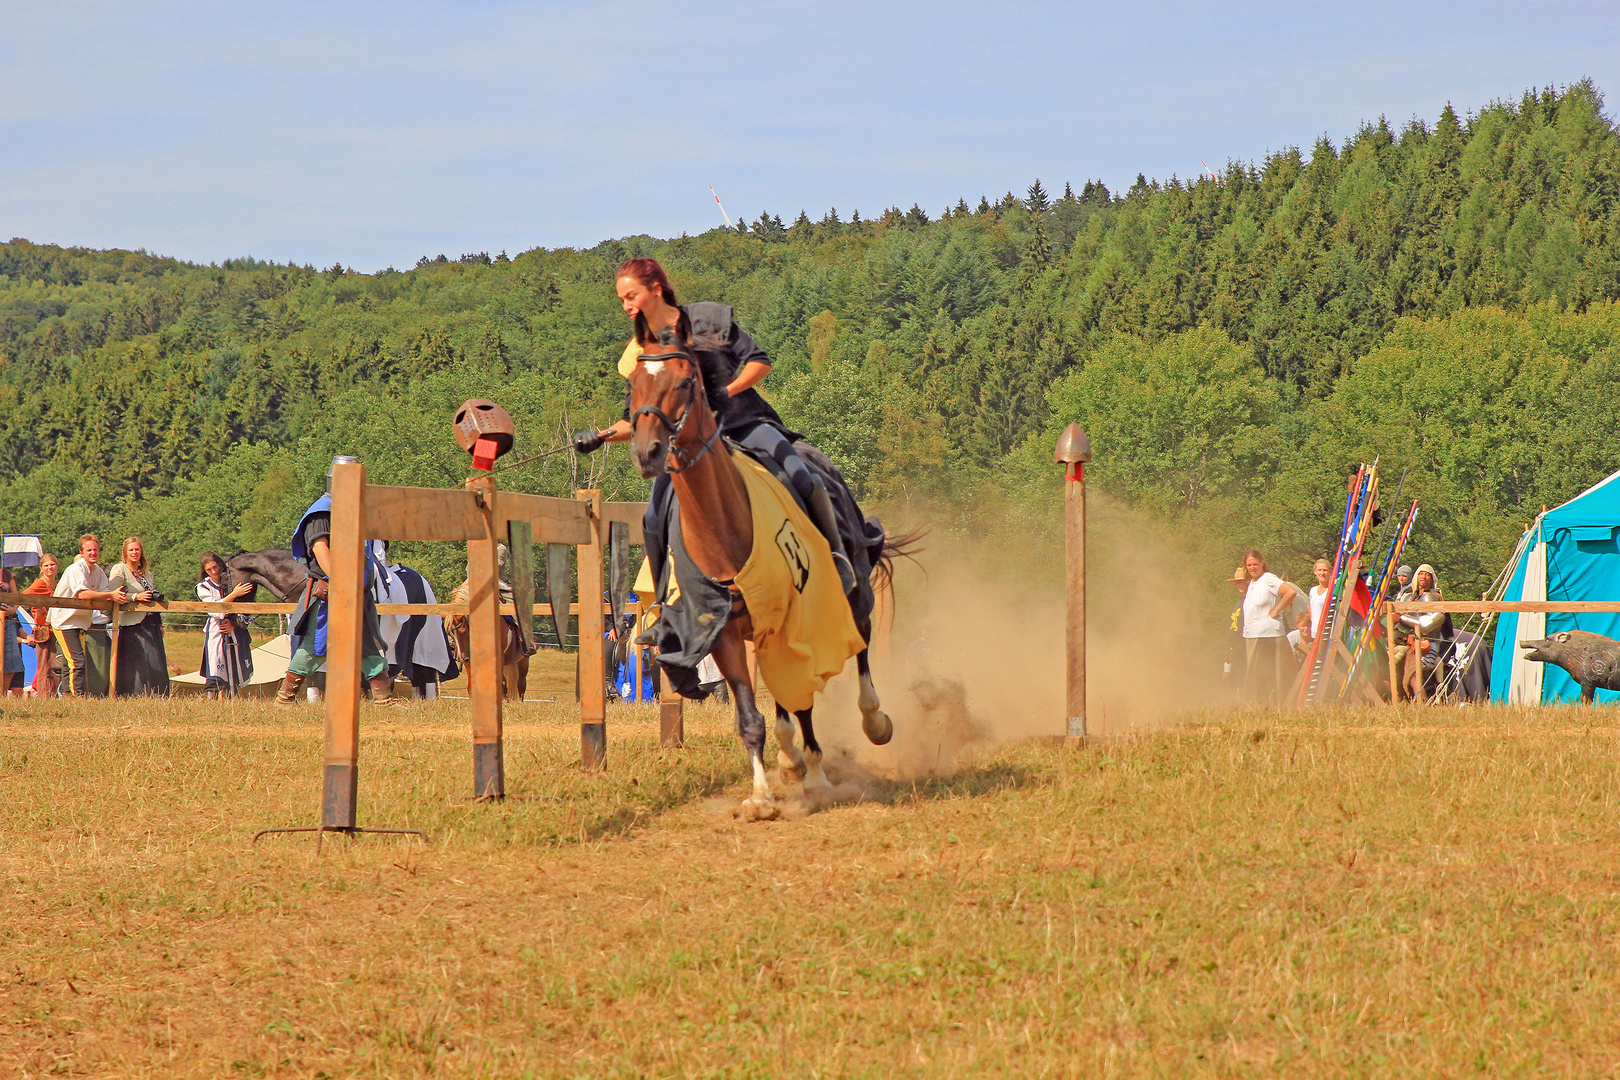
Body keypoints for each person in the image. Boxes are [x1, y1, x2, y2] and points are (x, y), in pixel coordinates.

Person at [573, 257, 859, 594]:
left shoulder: (706, 320)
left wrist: (722, 392)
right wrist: (602, 436)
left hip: (744, 426)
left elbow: (759, 362)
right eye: (621, 299)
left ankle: (837, 561)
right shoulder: (640, 350)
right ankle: (662, 601)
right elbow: (635, 420)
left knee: (803, 476)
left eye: (631, 296)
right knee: (652, 517)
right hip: (690, 446)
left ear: (655, 289)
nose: (625, 306)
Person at [279, 459, 397, 705]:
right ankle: (285, 698)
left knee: (368, 643)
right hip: (331, 594)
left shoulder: (353, 511)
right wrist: (341, 584)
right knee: (314, 647)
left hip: (357, 593)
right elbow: (321, 550)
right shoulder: (321, 512)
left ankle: (384, 699)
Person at [50, 534, 124, 697]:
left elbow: (105, 592)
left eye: (95, 550)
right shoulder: (76, 569)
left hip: (81, 622)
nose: (93, 553)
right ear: (81, 553)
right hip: (64, 620)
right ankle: (79, 696)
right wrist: (111, 595)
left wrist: (113, 596)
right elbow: (82, 594)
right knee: (77, 660)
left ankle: (68, 694)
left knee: (71, 661)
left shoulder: (97, 571)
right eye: (89, 550)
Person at [108, 536, 171, 697]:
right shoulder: (120, 569)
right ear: (125, 553)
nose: (134, 552)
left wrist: (160, 622)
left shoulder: (147, 574)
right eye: (131, 550)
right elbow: (114, 594)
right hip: (133, 624)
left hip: (151, 622)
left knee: (155, 661)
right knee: (138, 662)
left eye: (137, 549)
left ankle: (157, 696)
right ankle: (134, 695)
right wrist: (136, 597)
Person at [1239, 549, 1298, 703]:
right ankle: (1259, 704)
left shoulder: (1268, 579)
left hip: (1268, 634)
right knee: (1256, 674)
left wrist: (1277, 609)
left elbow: (1290, 592)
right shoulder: (1252, 583)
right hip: (1252, 634)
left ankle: (1280, 703)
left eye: (1255, 564)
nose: (1252, 568)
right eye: (1249, 565)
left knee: (1272, 673)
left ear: (1262, 563)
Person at [197, 550, 254, 698]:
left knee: (235, 668)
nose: (214, 571)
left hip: (235, 630)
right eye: (209, 569)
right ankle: (212, 700)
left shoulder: (231, 580)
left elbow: (246, 605)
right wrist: (234, 594)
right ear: (205, 570)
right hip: (217, 629)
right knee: (216, 667)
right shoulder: (203, 587)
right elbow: (215, 610)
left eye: (215, 567)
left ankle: (232, 700)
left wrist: (234, 624)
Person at [22, 553, 60, 697]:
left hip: (56, 627)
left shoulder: (57, 584)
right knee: (44, 664)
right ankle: (44, 696)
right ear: (41, 568)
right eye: (46, 565)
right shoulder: (40, 583)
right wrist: (40, 607)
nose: (50, 567)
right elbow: (24, 596)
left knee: (55, 664)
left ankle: (53, 694)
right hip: (43, 629)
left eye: (52, 564)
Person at [1, 568, 23, 696]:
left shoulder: (6, 574)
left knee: (11, 664)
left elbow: (16, 595)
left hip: (8, 621)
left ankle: (2, 696)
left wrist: (13, 609)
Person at [1307, 558, 1332, 639]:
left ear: (1330, 572)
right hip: (1314, 633)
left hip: (1328, 634)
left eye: (1325, 570)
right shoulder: (1312, 590)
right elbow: (1310, 606)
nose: (1322, 573)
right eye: (1319, 570)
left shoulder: (1332, 591)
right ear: (1315, 572)